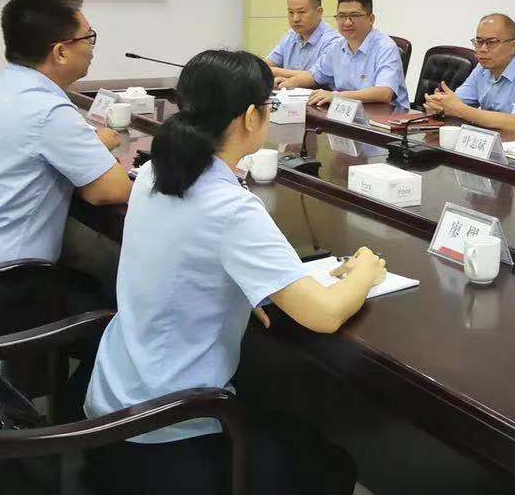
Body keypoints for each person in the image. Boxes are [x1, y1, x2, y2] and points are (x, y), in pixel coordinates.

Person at [85, 49, 384, 494]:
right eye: (269, 105)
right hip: (167, 431)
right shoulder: (230, 208)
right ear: (250, 117)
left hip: (113, 401)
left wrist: (243, 290)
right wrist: (365, 269)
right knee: (331, 465)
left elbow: (183, 259)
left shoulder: (154, 174)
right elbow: (323, 314)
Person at [0, 0, 132, 277]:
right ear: (61, 52)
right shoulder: (46, 109)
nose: (91, 48)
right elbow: (112, 190)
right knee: (112, 272)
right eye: (89, 38)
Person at [425, 13, 515, 142]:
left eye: (491, 42)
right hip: (496, 145)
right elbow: (457, 103)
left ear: (513, 46)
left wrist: (460, 110)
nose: (482, 49)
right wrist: (440, 105)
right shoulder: (482, 68)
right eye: (479, 42)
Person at [278, 0, 409, 112]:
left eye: (354, 16)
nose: (347, 23)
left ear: (371, 19)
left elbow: (385, 93)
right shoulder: (337, 46)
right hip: (348, 114)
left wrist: (337, 96)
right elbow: (314, 75)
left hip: (387, 120)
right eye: (341, 16)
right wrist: (287, 84)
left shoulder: (385, 47)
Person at [264, 0, 341, 80]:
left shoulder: (333, 41)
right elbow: (268, 63)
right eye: (291, 12)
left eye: (301, 12)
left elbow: (317, 76)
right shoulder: (291, 35)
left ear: (319, 12)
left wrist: (274, 71)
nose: (295, 19)